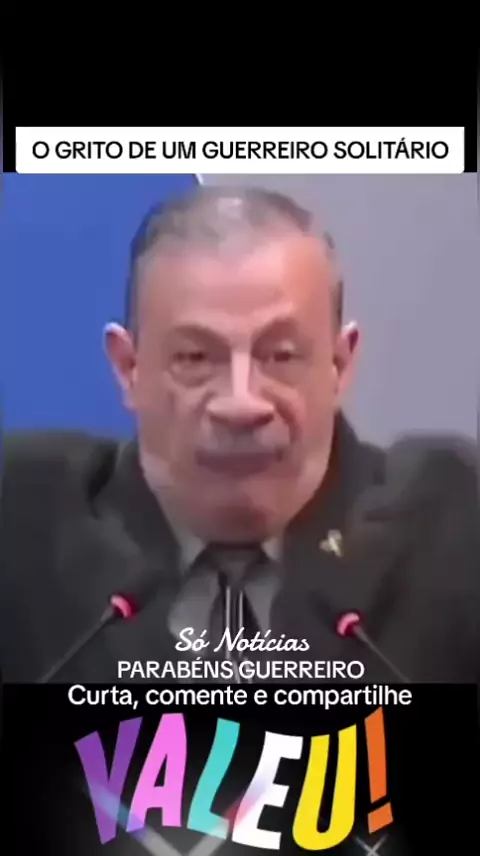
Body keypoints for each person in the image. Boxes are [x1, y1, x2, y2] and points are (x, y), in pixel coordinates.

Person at [0, 186, 479, 685]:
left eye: (281, 356)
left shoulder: (450, 529)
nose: (241, 404)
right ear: (129, 369)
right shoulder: (24, 527)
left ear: (339, 365)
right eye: (195, 358)